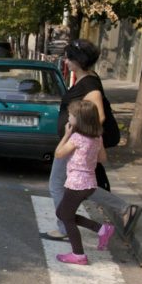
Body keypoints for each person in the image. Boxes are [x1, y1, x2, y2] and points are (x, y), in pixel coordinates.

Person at [43, 39, 141, 241]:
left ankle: (64, 227)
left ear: (77, 61)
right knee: (81, 186)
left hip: (74, 144)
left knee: (58, 184)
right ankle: (124, 208)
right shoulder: (85, 78)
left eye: (69, 58)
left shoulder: (89, 83)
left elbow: (99, 116)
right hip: (74, 142)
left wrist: (75, 136)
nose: (66, 61)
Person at [54, 100, 114, 264]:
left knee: (66, 218)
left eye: (71, 115)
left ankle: (78, 255)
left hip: (76, 183)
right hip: (88, 183)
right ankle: (102, 229)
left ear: (79, 120)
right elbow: (102, 158)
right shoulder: (97, 138)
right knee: (62, 213)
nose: (69, 117)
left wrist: (66, 135)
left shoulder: (77, 138)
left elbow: (59, 154)